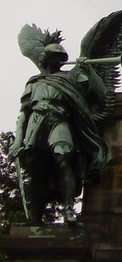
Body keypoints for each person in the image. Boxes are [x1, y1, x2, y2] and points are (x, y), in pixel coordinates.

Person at [9, 38, 110, 224]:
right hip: (36, 121)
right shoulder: (34, 82)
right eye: (54, 57)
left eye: (60, 57)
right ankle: (35, 217)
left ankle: (69, 210)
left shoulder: (72, 77)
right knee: (37, 170)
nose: (57, 60)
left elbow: (100, 93)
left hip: (60, 121)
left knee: (63, 158)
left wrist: (88, 70)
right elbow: (24, 114)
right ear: (45, 59)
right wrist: (17, 141)